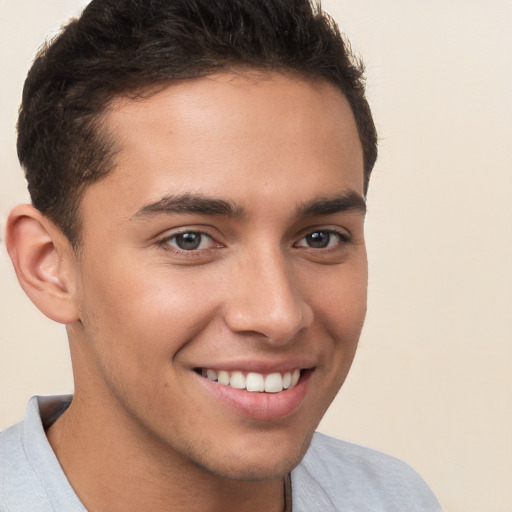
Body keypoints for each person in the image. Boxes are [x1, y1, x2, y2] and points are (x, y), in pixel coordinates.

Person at [0, 1, 443, 511]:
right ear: (48, 266)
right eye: (189, 239)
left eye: (319, 238)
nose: (278, 315)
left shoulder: (392, 498)